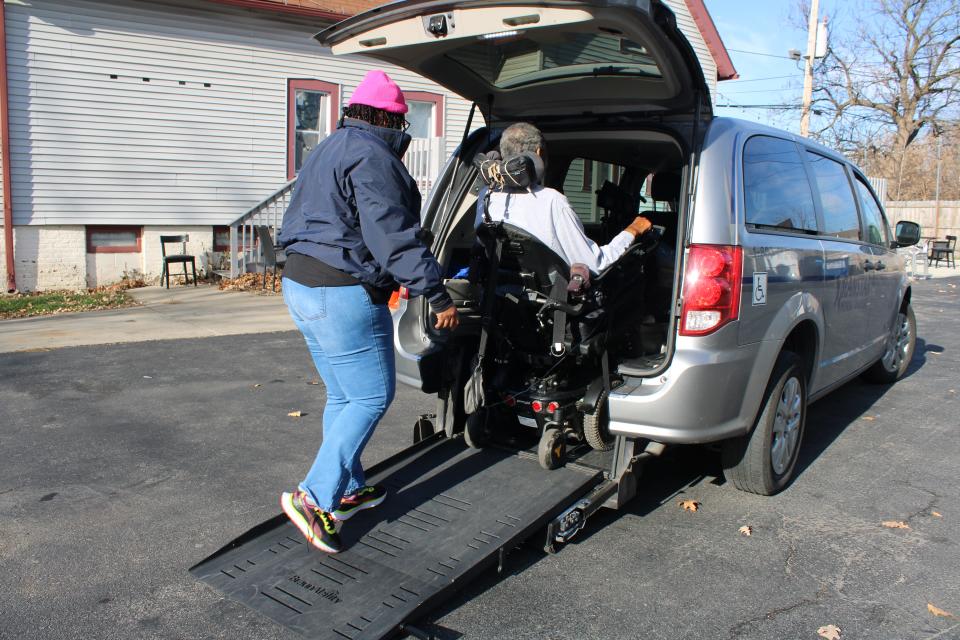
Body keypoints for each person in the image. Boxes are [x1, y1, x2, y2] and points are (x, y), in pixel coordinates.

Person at [277, 70, 459, 554]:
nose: (405, 134)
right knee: (371, 397)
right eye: (404, 123)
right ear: (390, 119)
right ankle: (314, 498)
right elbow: (391, 235)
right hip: (341, 290)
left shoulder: (329, 148)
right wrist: (434, 292)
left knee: (343, 395)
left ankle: (349, 487)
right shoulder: (372, 156)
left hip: (299, 282)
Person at [477, 122, 652, 273]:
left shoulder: (486, 195)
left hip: (501, 295)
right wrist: (633, 230)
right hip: (553, 305)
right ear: (538, 153)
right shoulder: (552, 200)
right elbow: (595, 264)